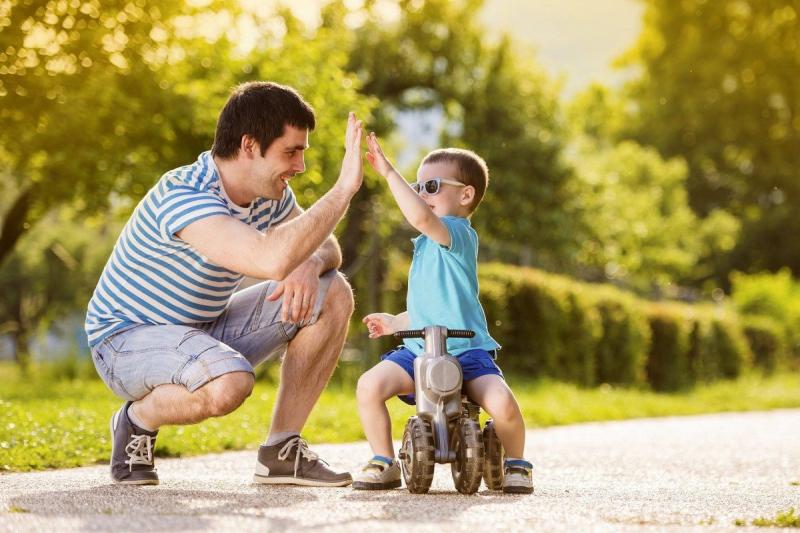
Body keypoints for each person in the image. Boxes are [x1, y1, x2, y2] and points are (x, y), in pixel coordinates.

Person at [85, 81, 364, 486]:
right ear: (249, 145)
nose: (300, 166)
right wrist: (342, 191)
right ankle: (137, 419)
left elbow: (327, 246)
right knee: (230, 383)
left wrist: (311, 262)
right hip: (125, 340)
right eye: (291, 151)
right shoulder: (185, 194)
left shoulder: (269, 194)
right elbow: (270, 259)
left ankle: (281, 451)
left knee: (332, 291)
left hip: (201, 328)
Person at [352, 133, 534, 494]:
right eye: (418, 187)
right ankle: (383, 460)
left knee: (502, 403)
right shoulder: (425, 245)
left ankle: (516, 463)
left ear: (465, 195)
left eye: (431, 186)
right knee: (369, 386)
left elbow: (421, 218)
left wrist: (390, 173)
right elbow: (429, 309)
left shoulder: (458, 234)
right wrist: (396, 322)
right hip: (419, 351)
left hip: (467, 353)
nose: (422, 194)